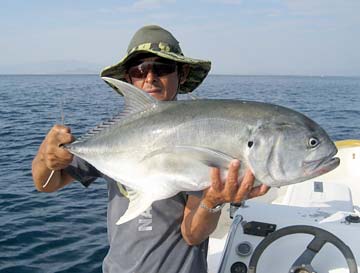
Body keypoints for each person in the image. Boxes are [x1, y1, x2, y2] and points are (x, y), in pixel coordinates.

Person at [32, 25, 270, 273]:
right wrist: (45, 157)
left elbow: (192, 235)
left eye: (163, 68)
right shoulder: (112, 136)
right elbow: (46, 184)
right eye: (139, 71)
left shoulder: (204, 133)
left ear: (183, 73)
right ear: (129, 80)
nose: (149, 78)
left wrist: (214, 201)